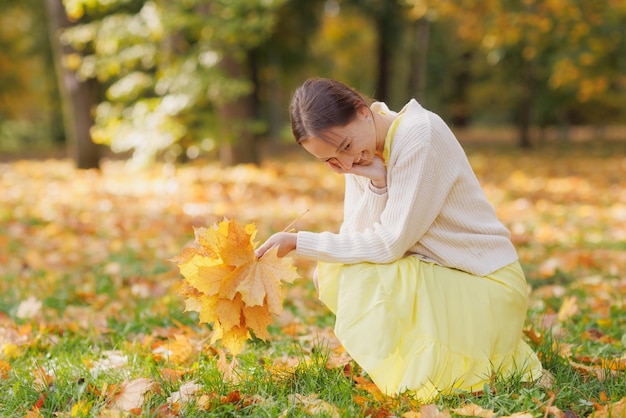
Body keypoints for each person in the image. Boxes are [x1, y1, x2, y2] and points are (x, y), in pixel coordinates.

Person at [255, 77, 542, 400]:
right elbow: (356, 237)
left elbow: (389, 244)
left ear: (363, 112)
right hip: (446, 274)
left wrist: (299, 242)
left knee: (352, 270)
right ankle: (419, 361)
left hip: (486, 282)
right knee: (334, 271)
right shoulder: (365, 156)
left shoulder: (420, 135)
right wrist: (378, 184)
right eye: (330, 161)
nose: (347, 163)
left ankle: (443, 363)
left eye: (346, 148)